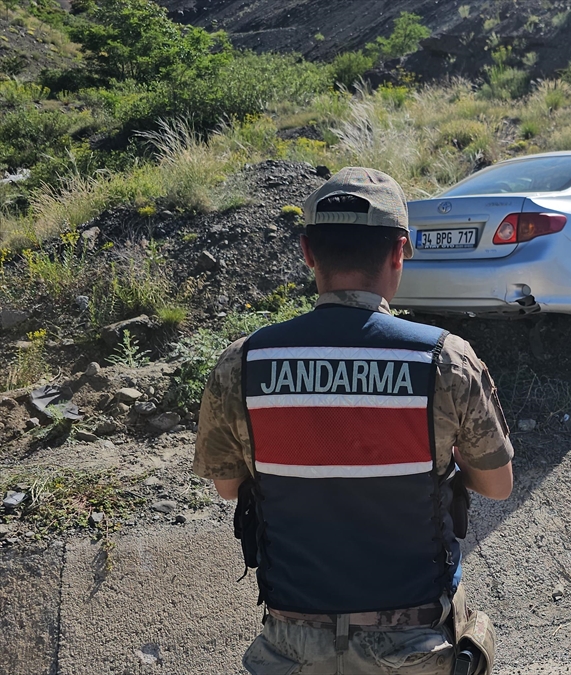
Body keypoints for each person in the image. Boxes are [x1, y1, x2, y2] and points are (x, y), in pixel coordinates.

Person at [193, 167, 514, 675]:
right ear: (398, 252)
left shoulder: (243, 363)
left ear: (307, 254)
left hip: (291, 649)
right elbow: (497, 485)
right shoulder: (445, 360)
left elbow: (229, 487)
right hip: (414, 649)